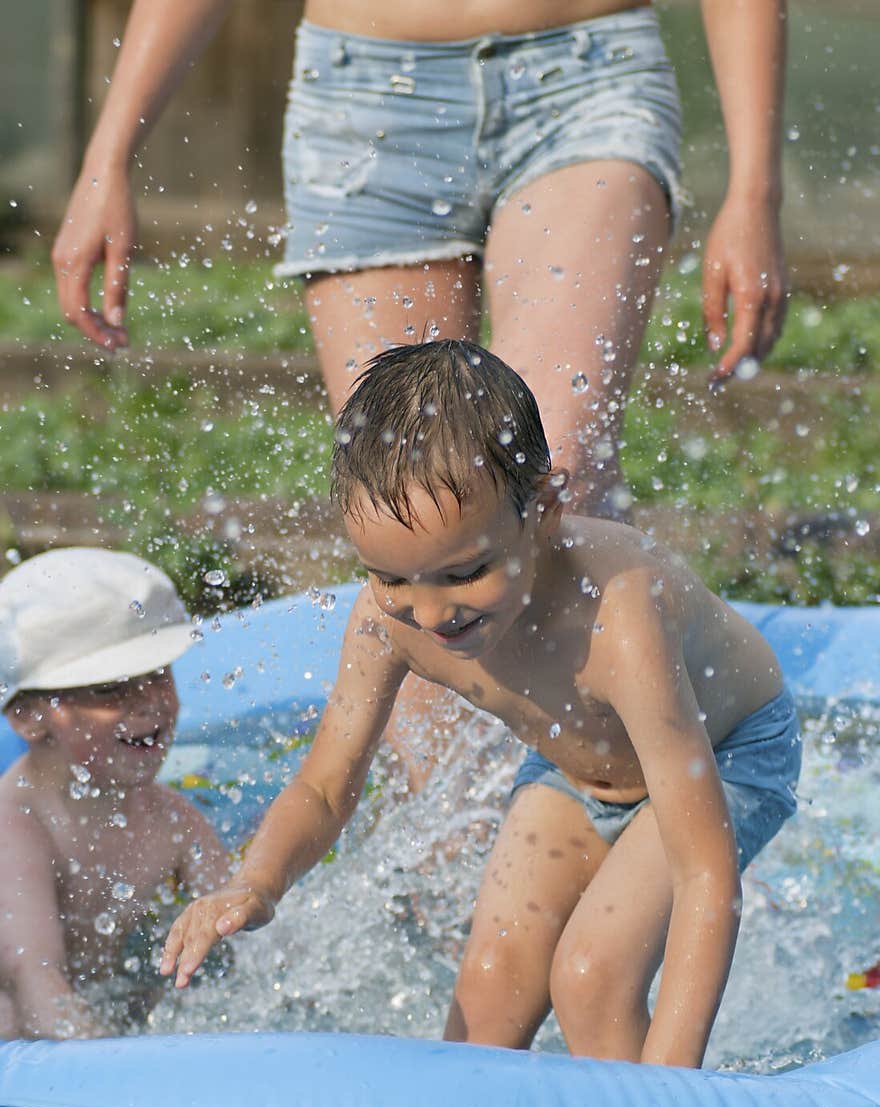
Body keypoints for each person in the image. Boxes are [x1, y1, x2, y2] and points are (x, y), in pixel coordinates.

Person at [50, 1, 788, 785]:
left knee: (548, 467)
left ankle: (638, 817)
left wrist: (755, 191)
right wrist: (108, 159)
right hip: (363, 98)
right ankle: (444, 865)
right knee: (410, 508)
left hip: (585, 77)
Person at [160, 339, 801, 1071]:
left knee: (590, 976)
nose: (431, 613)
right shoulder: (387, 621)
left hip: (727, 752)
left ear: (546, 511)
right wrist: (255, 882)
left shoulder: (617, 621)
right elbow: (324, 784)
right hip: (577, 763)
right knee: (492, 988)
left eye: (467, 571)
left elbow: (702, 872)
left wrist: (673, 1097)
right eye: (391, 577)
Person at [0, 547, 231, 1039]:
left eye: (158, 673)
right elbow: (35, 979)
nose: (149, 702)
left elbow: (255, 942)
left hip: (114, 1014)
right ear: (29, 715)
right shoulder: (15, 825)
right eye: (110, 687)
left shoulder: (172, 820)